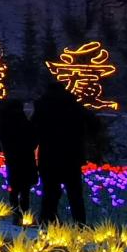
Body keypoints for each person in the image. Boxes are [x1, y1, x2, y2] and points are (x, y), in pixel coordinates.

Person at [34, 84, 92, 225]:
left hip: (49, 156)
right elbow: (94, 124)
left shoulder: (43, 107)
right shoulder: (74, 106)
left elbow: (33, 131)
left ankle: (47, 220)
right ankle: (80, 223)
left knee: (50, 192)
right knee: (75, 194)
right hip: (71, 156)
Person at [0, 95, 39, 220]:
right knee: (25, 190)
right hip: (26, 159)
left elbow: (2, 141)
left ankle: (16, 214)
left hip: (12, 159)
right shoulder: (25, 123)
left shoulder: (4, 124)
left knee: (14, 189)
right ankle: (24, 214)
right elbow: (34, 141)